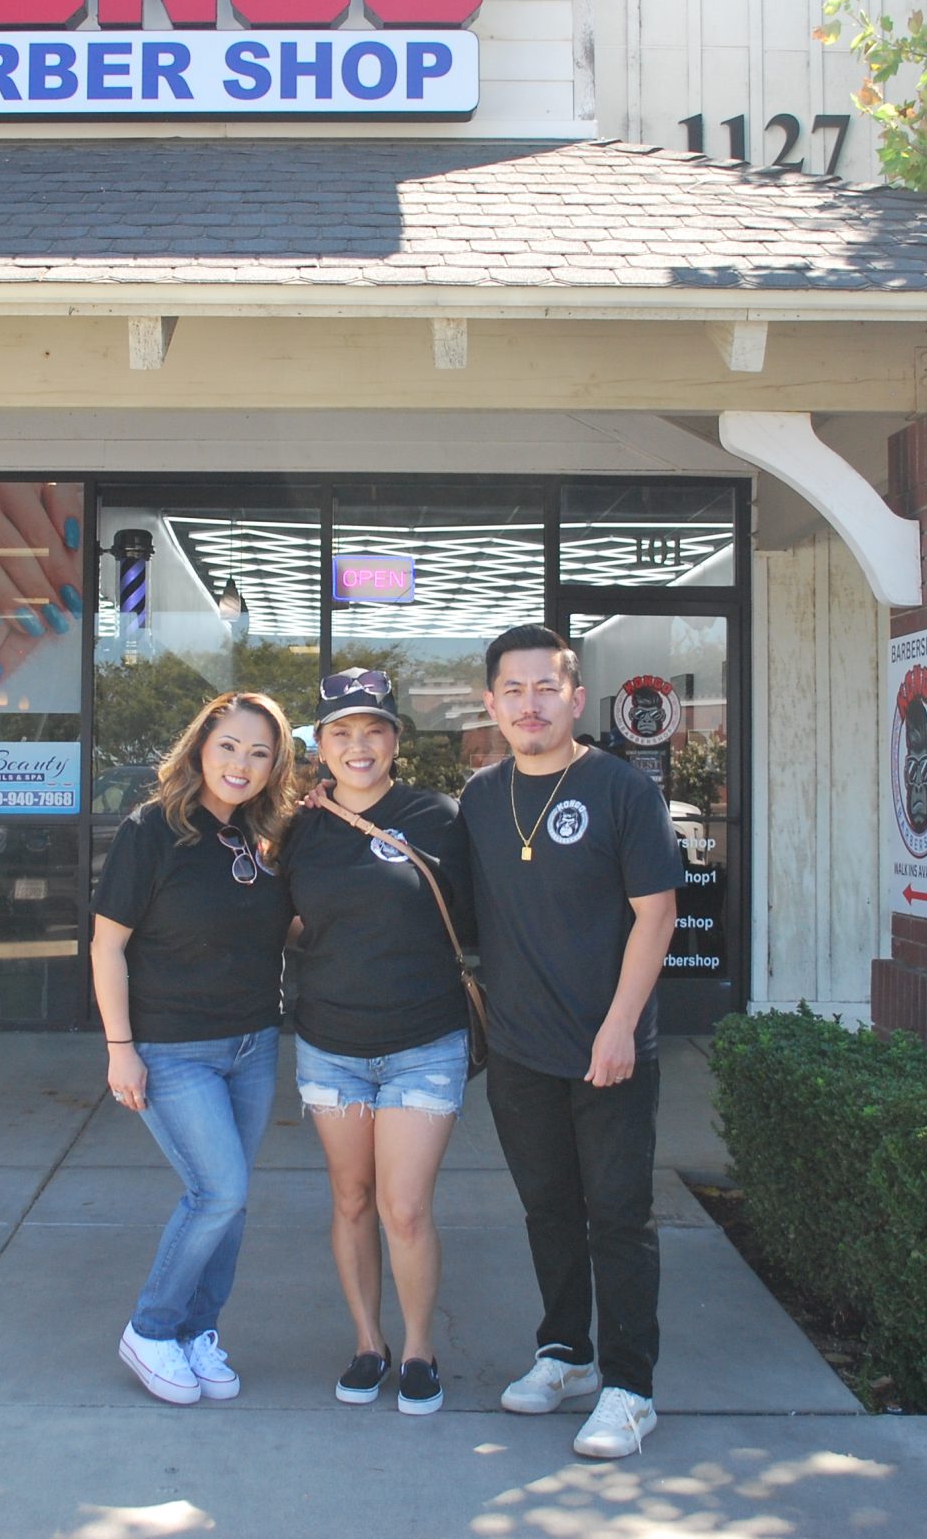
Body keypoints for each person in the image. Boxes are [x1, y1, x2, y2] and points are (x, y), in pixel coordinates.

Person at [458, 625, 681, 1459]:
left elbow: (655, 917)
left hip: (610, 1049)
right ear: (491, 704)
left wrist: (621, 1026)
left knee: (619, 1215)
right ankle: (565, 1353)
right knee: (548, 1209)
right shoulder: (481, 797)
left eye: (544, 687)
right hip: (519, 1051)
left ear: (576, 698)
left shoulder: (623, 791)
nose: (529, 703)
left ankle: (631, 1386)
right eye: (511, 690)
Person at [90, 691, 298, 1405]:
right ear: (200, 748)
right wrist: (121, 1048)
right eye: (230, 746)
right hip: (172, 1047)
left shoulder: (265, 837)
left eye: (260, 752)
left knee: (230, 1202)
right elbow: (107, 945)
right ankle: (150, 1329)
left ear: (276, 766)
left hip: (252, 1045)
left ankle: (195, 1332)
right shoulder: (151, 830)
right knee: (219, 1190)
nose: (242, 764)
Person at [282, 668, 471, 1417]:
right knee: (353, 1199)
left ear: (396, 738)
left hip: (424, 1042)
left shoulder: (438, 818)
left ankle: (419, 1348)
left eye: (373, 730)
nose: (358, 746)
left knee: (404, 1207)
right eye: (340, 732)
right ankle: (369, 1342)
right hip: (331, 1044)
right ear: (320, 746)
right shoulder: (294, 829)